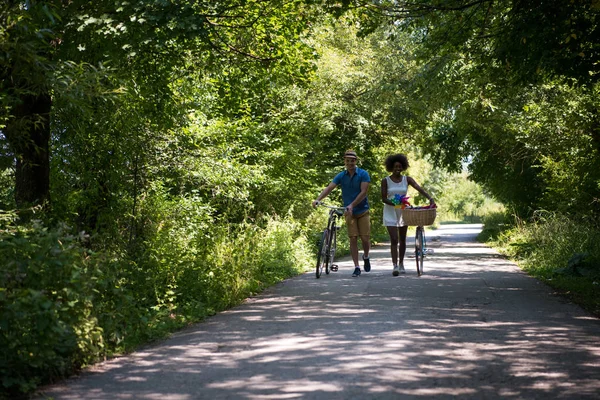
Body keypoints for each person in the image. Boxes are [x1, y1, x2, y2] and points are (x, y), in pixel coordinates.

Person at [312, 150, 371, 277]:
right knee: (353, 238)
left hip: (362, 210)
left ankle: (366, 256)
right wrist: (318, 199)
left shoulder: (363, 174)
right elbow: (329, 188)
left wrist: (352, 205)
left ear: (356, 161)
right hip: (349, 212)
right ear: (345, 161)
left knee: (365, 238)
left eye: (352, 160)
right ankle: (356, 267)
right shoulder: (341, 176)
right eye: (347, 161)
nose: (350, 163)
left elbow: (363, 192)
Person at [381, 154, 435, 276]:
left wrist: (429, 198)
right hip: (390, 211)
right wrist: (396, 202)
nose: (398, 169)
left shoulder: (407, 179)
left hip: (403, 211)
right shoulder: (385, 181)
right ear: (391, 167)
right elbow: (384, 198)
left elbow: (418, 188)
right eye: (395, 166)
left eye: (400, 166)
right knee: (394, 239)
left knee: (402, 239)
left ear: (403, 167)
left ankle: (401, 263)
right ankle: (395, 265)